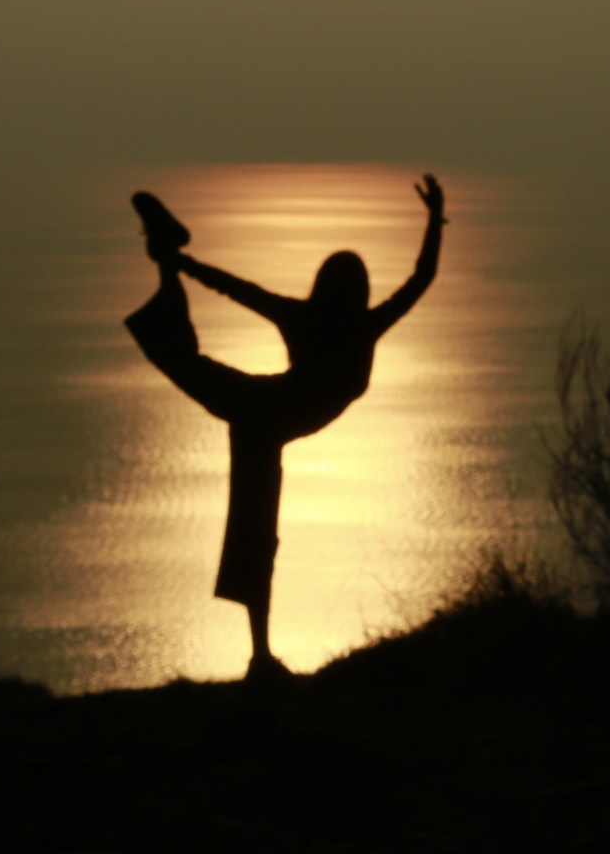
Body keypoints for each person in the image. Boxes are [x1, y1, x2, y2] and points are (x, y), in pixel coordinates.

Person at [123, 174, 445, 682]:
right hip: (264, 417)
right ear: (358, 291)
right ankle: (260, 659)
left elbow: (235, 288)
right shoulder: (362, 326)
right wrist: (433, 220)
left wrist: (182, 263)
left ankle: (165, 253)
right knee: (255, 535)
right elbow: (421, 278)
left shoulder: (306, 317)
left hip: (260, 411)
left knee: (185, 364)